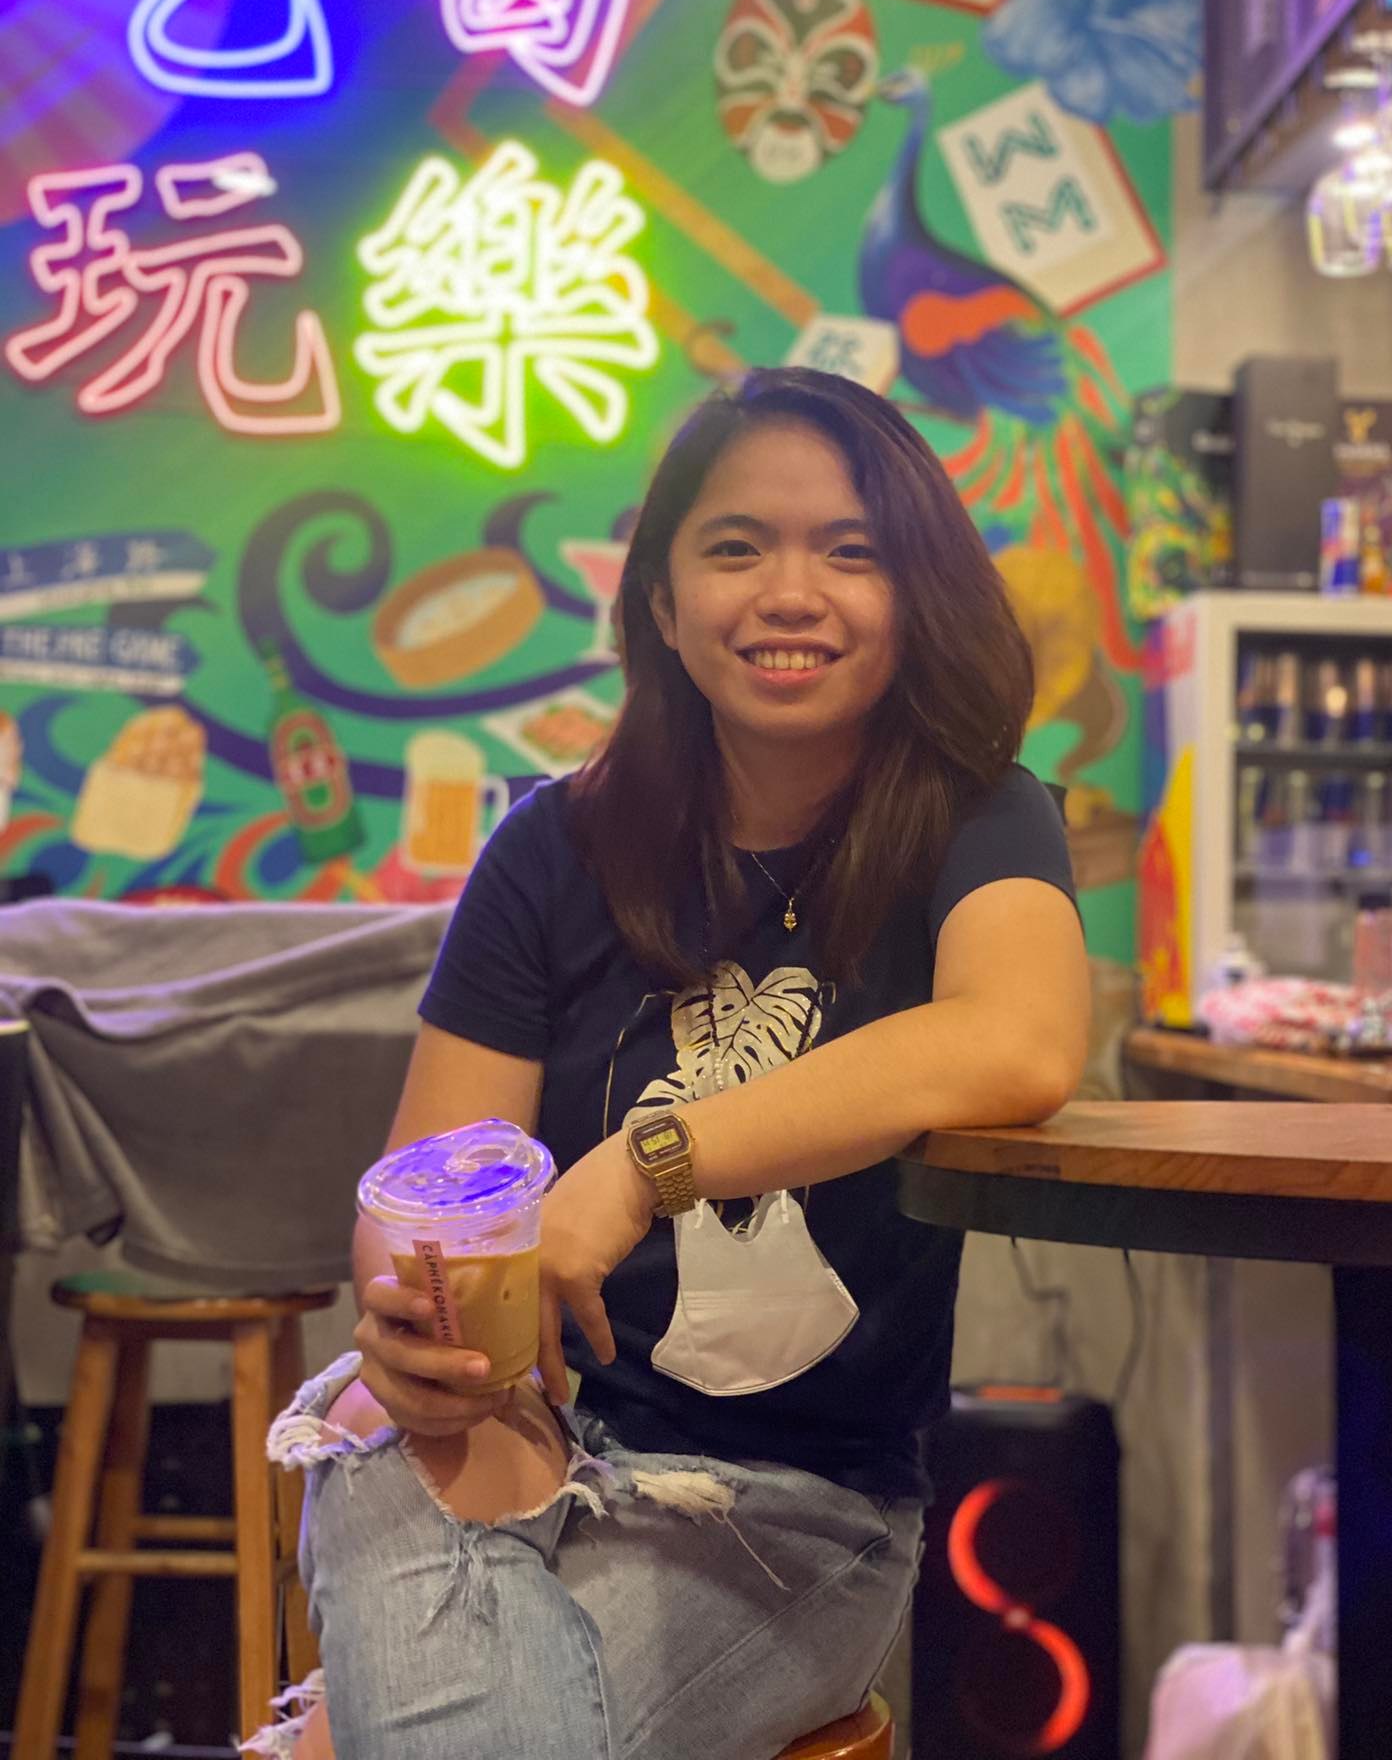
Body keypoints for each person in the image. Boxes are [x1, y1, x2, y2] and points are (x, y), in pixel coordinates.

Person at [270, 366, 1089, 1760]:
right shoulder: (552, 848)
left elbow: (1018, 1042)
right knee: (362, 1424)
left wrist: (643, 1167)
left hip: (795, 1513)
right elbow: (422, 1189)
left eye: (851, 552)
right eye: (736, 548)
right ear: (661, 602)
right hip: (527, 1443)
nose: (791, 594)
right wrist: (418, 1326)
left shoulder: (979, 818)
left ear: (916, 597)